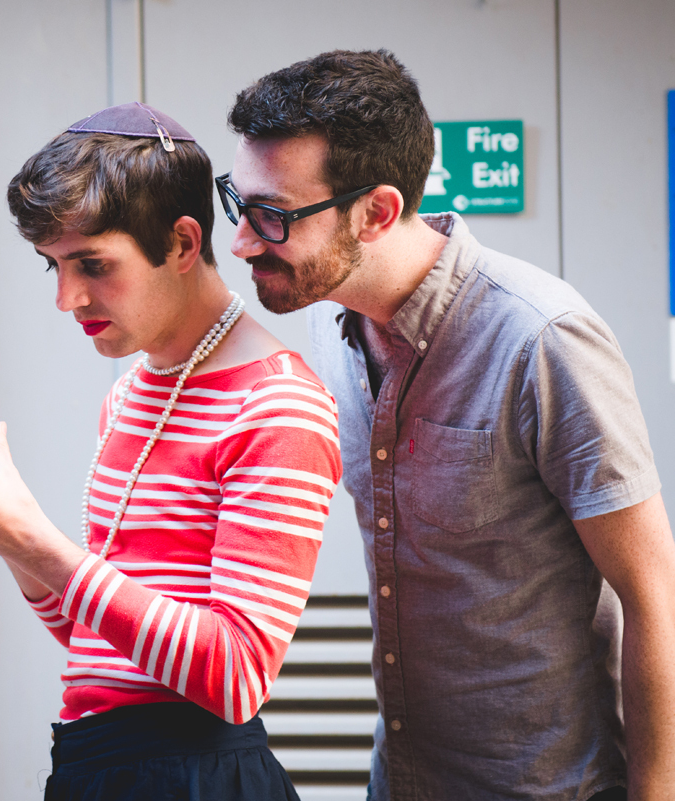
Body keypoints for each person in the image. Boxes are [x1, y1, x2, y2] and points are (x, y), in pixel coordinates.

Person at [219, 49, 675, 801]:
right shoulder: (329, 331)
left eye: (273, 216)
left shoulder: (542, 338)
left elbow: (652, 592)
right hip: (400, 781)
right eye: (241, 204)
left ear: (378, 212)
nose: (241, 241)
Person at [0, 102, 343, 800]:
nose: (68, 298)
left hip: (195, 773)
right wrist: (6, 529)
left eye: (93, 264)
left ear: (185, 243)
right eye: (54, 267)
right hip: (99, 762)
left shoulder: (277, 403)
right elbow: (95, 639)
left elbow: (236, 675)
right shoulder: (130, 392)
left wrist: (39, 545)